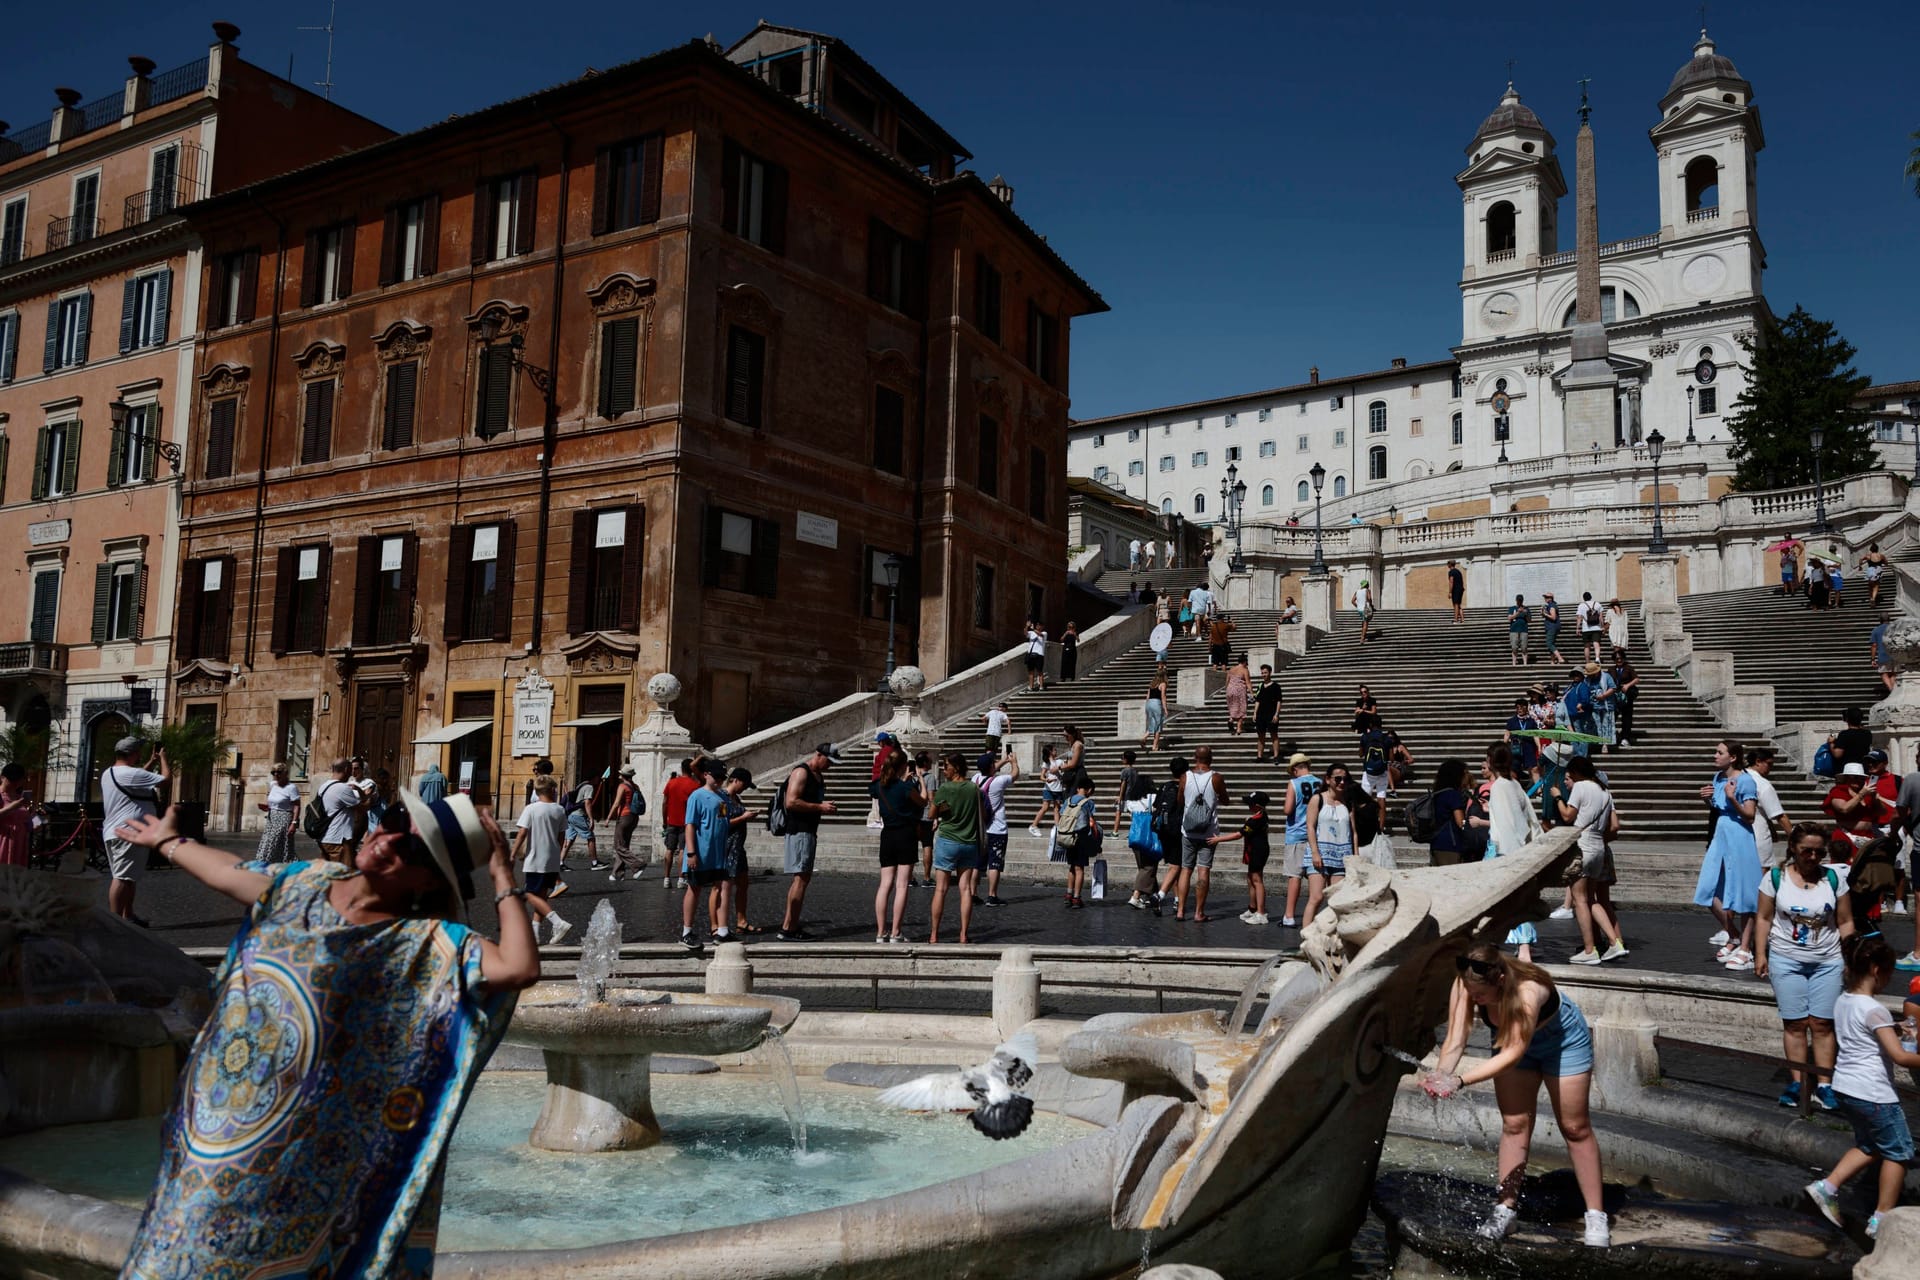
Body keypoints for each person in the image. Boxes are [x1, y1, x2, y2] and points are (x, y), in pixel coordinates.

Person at [111, 791, 538, 1277]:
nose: (390, 839)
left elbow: (519, 967)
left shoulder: (426, 944)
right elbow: (228, 872)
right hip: (215, 1128)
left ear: (428, 879)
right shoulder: (303, 882)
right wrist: (168, 842)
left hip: (303, 1152)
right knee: (178, 1248)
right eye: (396, 820)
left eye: (415, 848)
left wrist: (504, 876)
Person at [1423, 945, 1609, 1248]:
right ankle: (1505, 1209)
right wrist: (1441, 1074)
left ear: (1498, 981)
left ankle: (1595, 1214)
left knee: (1575, 1127)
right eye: (1471, 993)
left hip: (1561, 1042)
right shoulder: (1465, 980)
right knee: (1514, 1124)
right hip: (1510, 1041)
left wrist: (1459, 1080)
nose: (1474, 999)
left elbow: (1512, 1054)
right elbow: (1456, 1039)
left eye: (1479, 995)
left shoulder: (1527, 991)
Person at [1804, 935, 1920, 1241]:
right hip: (1875, 1093)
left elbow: (1864, 1029)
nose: (1890, 980)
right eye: (1890, 973)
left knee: (1870, 1145)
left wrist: (1894, 1028)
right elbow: (1900, 1056)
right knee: (1899, 1152)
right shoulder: (1875, 1009)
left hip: (1846, 1088)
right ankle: (1881, 1218)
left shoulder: (1844, 1000)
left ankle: (1826, 1187)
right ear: (1875, 970)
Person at [1755, 824, 1853, 1110]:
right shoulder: (1775, 878)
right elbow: (1763, 917)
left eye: (1818, 852)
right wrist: (1760, 953)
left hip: (1828, 959)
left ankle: (1825, 1085)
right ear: (1793, 850)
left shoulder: (1833, 879)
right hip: (1786, 958)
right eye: (1806, 850)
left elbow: (1846, 921)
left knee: (1822, 1024)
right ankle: (1798, 1083)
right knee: (1795, 1023)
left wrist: (1849, 957)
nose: (1812, 857)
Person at [1697, 738, 1762, 971]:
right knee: (1708, 889)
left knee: (1744, 894)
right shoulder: (1718, 778)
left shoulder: (1745, 780)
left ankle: (1746, 948)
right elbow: (1718, 807)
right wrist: (1708, 800)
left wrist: (1733, 796)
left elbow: (1750, 815)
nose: (1715, 755)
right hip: (1721, 835)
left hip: (1740, 837)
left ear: (1732, 757)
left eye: (1719, 752)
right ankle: (1734, 936)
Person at [99, 735, 169, 925]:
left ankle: (127, 915)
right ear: (133, 753)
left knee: (129, 876)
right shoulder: (131, 774)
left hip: (117, 831)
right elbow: (164, 780)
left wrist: (150, 762)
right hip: (128, 833)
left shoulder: (110, 773)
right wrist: (162, 758)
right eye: (139, 752)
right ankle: (115, 922)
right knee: (121, 877)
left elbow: (136, 779)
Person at [1485, 743, 1544, 961]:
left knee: (1507, 901)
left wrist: (1506, 856)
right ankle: (1519, 944)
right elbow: (1529, 818)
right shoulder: (1515, 784)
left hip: (1505, 850)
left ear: (1491, 761)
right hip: (1519, 847)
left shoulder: (1499, 786)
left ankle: (1518, 945)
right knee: (1517, 900)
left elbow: (1504, 823)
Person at [777, 744, 839, 941]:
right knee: (800, 879)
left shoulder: (818, 776)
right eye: (828, 761)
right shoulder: (801, 773)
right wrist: (820, 807)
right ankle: (788, 928)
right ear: (818, 755)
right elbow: (791, 802)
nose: (830, 765)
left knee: (802, 879)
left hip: (809, 831)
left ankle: (790, 924)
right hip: (799, 831)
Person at [681, 759, 736, 951]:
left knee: (722, 888)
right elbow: (690, 825)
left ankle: (722, 930)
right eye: (716, 776)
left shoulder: (722, 797)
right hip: (700, 853)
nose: (720, 780)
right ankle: (687, 931)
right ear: (706, 775)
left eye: (722, 777)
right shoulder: (697, 796)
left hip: (718, 854)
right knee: (694, 888)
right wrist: (691, 852)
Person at [511, 778, 574, 942]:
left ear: (536, 792)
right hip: (552, 859)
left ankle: (557, 921)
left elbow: (522, 833)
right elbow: (562, 837)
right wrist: (557, 854)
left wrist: (512, 854)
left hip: (535, 858)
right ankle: (535, 934)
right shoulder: (559, 810)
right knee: (541, 897)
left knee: (527, 894)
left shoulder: (531, 809)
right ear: (552, 790)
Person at [1169, 745, 1228, 922]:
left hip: (1187, 831)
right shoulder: (1216, 777)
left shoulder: (1185, 777)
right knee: (1203, 870)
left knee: (1186, 869)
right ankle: (1198, 913)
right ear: (1211, 758)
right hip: (1209, 832)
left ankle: (1180, 911)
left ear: (1195, 757)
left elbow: (1180, 800)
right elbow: (1225, 800)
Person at [929, 753, 982, 943]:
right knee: (966, 889)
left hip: (947, 841)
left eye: (946, 766)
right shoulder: (974, 789)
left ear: (956, 768)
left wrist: (941, 807)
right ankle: (963, 934)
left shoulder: (945, 788)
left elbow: (931, 814)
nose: (944, 770)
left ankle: (934, 934)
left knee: (940, 889)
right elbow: (982, 814)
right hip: (969, 842)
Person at [1303, 763, 1353, 927]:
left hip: (1341, 856)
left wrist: (1355, 856)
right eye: (1338, 779)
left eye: (1345, 779)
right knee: (1316, 897)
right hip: (1320, 854)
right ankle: (1306, 938)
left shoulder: (1347, 802)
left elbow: (1354, 832)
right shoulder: (1318, 799)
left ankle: (1333, 937)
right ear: (1328, 779)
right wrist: (1315, 852)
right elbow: (1310, 826)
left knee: (1337, 901)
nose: (1342, 782)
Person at [973, 751, 1018, 908]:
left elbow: (989, 770)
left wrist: (1003, 761)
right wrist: (1012, 762)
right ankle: (992, 895)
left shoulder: (975, 779)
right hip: (997, 828)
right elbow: (1015, 774)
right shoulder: (999, 781)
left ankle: (973, 893)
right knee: (994, 863)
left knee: (977, 863)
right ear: (992, 766)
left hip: (979, 828)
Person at [1280, 753, 1320, 928]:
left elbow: (1288, 810)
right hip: (1316, 835)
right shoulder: (1320, 783)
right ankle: (1314, 915)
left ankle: (1289, 915)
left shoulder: (1294, 784)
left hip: (1296, 834)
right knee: (1315, 877)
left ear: (1295, 769)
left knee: (1294, 876)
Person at [1055, 774, 1098, 909]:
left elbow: (1061, 814)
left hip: (1067, 837)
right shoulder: (1088, 803)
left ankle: (1068, 894)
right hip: (1080, 838)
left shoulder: (1068, 800)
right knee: (1080, 869)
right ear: (1089, 790)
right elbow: (1091, 821)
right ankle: (1076, 898)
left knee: (1072, 867)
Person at [315, 757, 366, 867]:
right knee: (344, 875)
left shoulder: (323, 786)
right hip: (338, 840)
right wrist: (369, 798)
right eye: (351, 769)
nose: (351, 773)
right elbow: (362, 808)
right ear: (347, 769)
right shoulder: (343, 788)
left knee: (326, 874)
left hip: (324, 838)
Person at [1747, 746, 1791, 869]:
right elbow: (1779, 815)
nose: (1770, 769)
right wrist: (1794, 839)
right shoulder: (1762, 784)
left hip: (1736, 837)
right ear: (1758, 761)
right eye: (1769, 764)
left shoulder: (1736, 777)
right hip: (1758, 836)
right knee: (1761, 878)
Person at [660, 757, 699, 891]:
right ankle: (681, 879)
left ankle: (666, 878)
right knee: (683, 850)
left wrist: (664, 820)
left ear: (681, 769)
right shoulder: (694, 785)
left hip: (672, 821)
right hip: (687, 822)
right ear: (692, 770)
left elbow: (664, 802)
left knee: (669, 849)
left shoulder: (671, 783)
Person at [1428, 758, 1472, 867]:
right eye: (1465, 773)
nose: (1467, 777)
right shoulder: (1453, 795)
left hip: (1435, 843)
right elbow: (1460, 822)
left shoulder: (1437, 794)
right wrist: (1473, 824)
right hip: (1451, 845)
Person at [256, 763, 301, 864]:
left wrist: (294, 823)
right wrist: (266, 806)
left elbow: (297, 806)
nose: (276, 774)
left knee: (278, 844)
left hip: (284, 818)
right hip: (272, 818)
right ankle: (268, 864)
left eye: (279, 772)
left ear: (285, 773)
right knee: (268, 842)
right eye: (273, 772)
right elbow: (270, 800)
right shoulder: (272, 785)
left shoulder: (291, 788)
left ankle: (287, 864)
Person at [608, 766, 645, 880]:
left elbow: (616, 803)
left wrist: (609, 817)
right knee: (624, 845)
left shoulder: (622, 786)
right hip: (634, 817)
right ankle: (618, 873)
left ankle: (638, 864)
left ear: (623, 775)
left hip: (624, 817)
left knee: (618, 845)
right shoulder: (636, 786)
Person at [561, 776, 600, 871]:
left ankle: (560, 862)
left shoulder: (581, 785)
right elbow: (587, 803)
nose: (598, 780)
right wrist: (591, 818)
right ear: (594, 777)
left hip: (570, 815)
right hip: (579, 815)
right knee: (590, 837)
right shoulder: (589, 787)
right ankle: (595, 863)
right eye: (597, 778)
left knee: (569, 839)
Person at [1028, 743, 1065, 836]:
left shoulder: (1060, 762)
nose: (1056, 751)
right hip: (1048, 788)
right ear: (1050, 752)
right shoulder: (1046, 763)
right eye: (1054, 750)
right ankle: (1033, 826)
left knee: (1057, 808)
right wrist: (1047, 779)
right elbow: (1041, 776)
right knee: (1045, 807)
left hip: (1058, 788)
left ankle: (1057, 827)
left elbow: (1064, 772)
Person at [0, 764, 33, 867]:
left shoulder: (21, 798)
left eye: (18, 780)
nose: (15, 783)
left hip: (20, 841)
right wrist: (13, 806)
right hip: (3, 839)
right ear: (2, 778)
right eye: (12, 780)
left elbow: (32, 823)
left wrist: (37, 818)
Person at [1607, 648, 1640, 749]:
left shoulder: (1628, 668)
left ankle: (1625, 738)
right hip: (1615, 696)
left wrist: (1627, 685)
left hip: (1627, 695)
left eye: (1620, 658)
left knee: (1627, 717)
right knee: (1612, 717)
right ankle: (1612, 736)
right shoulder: (1611, 669)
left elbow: (1636, 679)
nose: (1619, 660)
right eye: (1617, 659)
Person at [1828, 706, 1872, 777]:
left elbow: (1837, 754)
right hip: (1863, 769)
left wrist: (1831, 743)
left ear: (1847, 719)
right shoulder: (1867, 734)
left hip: (1847, 770)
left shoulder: (1844, 734)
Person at [1253, 664, 1284, 761]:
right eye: (1262, 673)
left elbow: (1279, 701)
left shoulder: (1276, 686)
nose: (1263, 675)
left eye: (1265, 673)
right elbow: (1258, 700)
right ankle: (1259, 756)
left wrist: (1276, 714)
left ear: (1270, 673)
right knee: (1260, 735)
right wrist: (1254, 713)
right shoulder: (1260, 685)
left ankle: (1276, 756)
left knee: (1273, 735)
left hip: (1271, 714)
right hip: (1261, 714)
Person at [1503, 698, 1540, 777]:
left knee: (1534, 768)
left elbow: (1535, 735)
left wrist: (1539, 747)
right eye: (1518, 707)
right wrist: (1504, 745)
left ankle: (1539, 789)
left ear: (1526, 708)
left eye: (1522, 707)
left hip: (1529, 746)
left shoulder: (1531, 721)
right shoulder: (1511, 721)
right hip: (1516, 747)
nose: (1520, 709)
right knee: (1514, 769)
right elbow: (1507, 734)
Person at [1143, 667, 1169, 753]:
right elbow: (1163, 697)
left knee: (1152, 723)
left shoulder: (1152, 684)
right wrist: (1165, 709)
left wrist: (1147, 707)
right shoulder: (1163, 684)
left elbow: (1147, 697)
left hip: (1149, 704)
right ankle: (1154, 746)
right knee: (1158, 726)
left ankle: (1145, 736)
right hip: (1156, 703)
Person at [1225, 652, 1251, 735]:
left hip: (1230, 690)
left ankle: (1231, 720)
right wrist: (1252, 693)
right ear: (1245, 662)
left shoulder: (1231, 669)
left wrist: (1227, 690)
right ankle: (1239, 729)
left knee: (1233, 707)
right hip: (1239, 690)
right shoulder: (1244, 670)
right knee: (1241, 708)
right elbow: (1248, 683)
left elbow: (1227, 682)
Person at [1576, 592, 1605, 664]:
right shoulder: (1597, 604)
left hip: (1586, 628)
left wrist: (1577, 628)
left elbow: (1579, 617)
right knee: (1596, 643)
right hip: (1596, 627)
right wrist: (1603, 626)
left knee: (1587, 646)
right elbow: (1601, 617)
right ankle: (1597, 658)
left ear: (1583, 598)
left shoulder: (1581, 605)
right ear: (1591, 597)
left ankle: (1587, 661)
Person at [1023, 620, 1048, 692]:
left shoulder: (1044, 633)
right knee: (1031, 671)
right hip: (1031, 654)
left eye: (1039, 625)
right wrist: (1027, 626)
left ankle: (1041, 686)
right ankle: (1031, 686)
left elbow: (1040, 635)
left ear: (1042, 626)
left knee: (1040, 671)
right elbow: (1025, 633)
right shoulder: (1031, 632)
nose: (1038, 626)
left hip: (1039, 654)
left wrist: (1032, 629)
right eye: (1037, 625)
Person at [1541, 592, 1566, 664]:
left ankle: (1560, 658)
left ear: (1550, 598)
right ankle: (1552, 661)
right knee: (1552, 643)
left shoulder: (1552, 605)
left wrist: (1545, 614)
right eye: (1545, 597)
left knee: (1549, 643)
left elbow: (1553, 617)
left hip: (1552, 627)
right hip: (1552, 626)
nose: (1545, 599)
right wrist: (1543, 613)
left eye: (1546, 597)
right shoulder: (1550, 605)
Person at [1861, 544, 1888, 608]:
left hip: (1870, 570)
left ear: (1871, 549)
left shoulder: (1868, 556)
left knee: (1870, 586)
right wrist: (1882, 563)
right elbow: (1886, 563)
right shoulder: (1881, 556)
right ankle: (1873, 598)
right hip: (1878, 570)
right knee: (1876, 586)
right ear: (1877, 549)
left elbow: (1861, 559)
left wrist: (1860, 566)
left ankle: (1871, 598)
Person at [1507, 595, 1530, 666]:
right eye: (1518, 600)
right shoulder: (1512, 608)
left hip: (1524, 630)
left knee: (1524, 647)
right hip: (1514, 630)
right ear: (1516, 600)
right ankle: (1514, 663)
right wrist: (1518, 612)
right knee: (1514, 647)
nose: (1520, 601)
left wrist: (1526, 613)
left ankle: (1525, 663)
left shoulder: (1526, 609)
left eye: (1521, 600)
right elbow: (1509, 618)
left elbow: (1529, 620)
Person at [1351, 579, 1374, 643]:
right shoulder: (1367, 590)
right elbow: (1369, 599)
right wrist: (1371, 606)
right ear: (1366, 585)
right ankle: (1362, 638)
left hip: (1360, 610)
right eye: (1368, 584)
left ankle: (1363, 633)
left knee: (1364, 621)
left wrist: (1357, 606)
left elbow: (1352, 601)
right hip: (1365, 609)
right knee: (1366, 622)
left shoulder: (1357, 591)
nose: (1368, 585)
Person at [1448, 560, 1466, 624]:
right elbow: (1461, 581)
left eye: (1448, 564)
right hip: (1460, 589)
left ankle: (1455, 620)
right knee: (1458, 604)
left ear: (1450, 564)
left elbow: (1451, 581)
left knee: (1455, 604)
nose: (1447, 565)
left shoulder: (1451, 572)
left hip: (1456, 589)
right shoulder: (1458, 571)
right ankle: (1462, 619)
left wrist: (1450, 592)